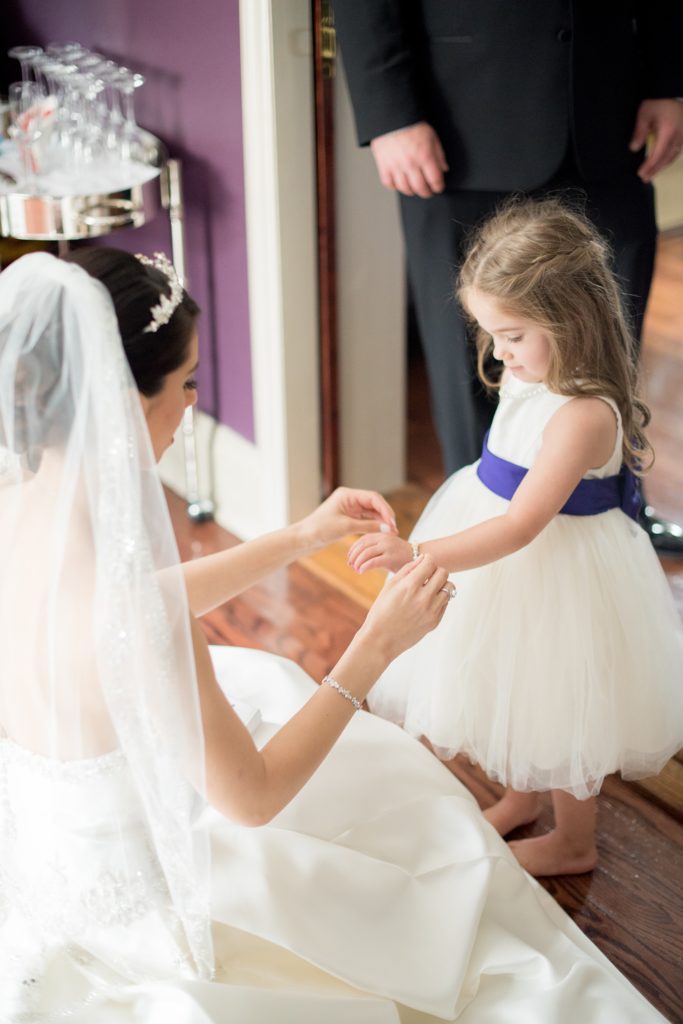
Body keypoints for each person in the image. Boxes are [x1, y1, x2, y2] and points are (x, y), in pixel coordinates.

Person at [0, 248, 669, 1023]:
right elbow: (251, 800)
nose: (191, 405)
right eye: (186, 383)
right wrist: (376, 644)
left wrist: (302, 535)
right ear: (123, 399)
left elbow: (127, 609)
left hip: (43, 857)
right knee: (402, 843)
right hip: (148, 907)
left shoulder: (20, 506)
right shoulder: (132, 604)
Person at [348, 199, 683, 879]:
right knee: (513, 682)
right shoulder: (524, 369)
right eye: (489, 332)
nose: (497, 351)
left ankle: (571, 840)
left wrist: (417, 554)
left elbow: (522, 525)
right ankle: (521, 793)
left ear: (569, 320)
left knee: (559, 696)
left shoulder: (584, 415)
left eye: (512, 333)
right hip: (499, 547)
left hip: (552, 563)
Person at [333, 0, 683, 551]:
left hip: (606, 109)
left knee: (609, 351)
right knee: (481, 361)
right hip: (462, 124)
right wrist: (390, 112)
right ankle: (483, 543)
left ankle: (614, 522)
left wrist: (668, 78)